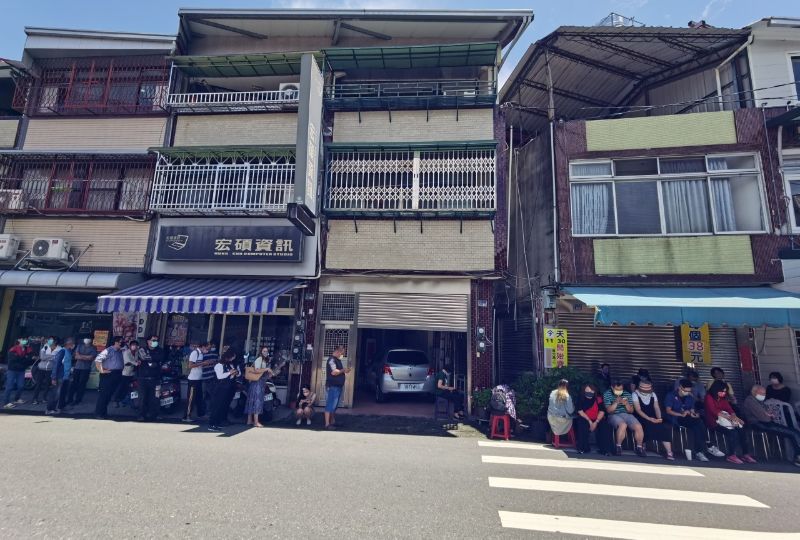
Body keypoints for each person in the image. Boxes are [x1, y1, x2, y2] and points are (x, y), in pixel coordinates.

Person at [664, 379, 723, 462]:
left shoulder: (690, 397)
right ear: (680, 387)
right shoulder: (671, 395)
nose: (687, 392)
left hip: (689, 419)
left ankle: (699, 452)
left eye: (689, 391)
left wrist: (694, 414)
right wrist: (681, 414)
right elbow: (668, 410)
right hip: (676, 418)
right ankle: (707, 444)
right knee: (698, 423)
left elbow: (692, 409)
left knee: (697, 425)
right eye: (686, 390)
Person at [742, 385, 800, 467]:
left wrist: (768, 415)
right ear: (754, 392)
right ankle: (798, 458)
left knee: (793, 432)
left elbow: (770, 413)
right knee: (793, 433)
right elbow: (764, 418)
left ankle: (798, 456)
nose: (763, 395)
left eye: (764, 393)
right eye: (761, 393)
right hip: (757, 424)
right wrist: (768, 415)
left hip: (764, 423)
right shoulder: (750, 401)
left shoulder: (758, 401)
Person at [704, 380, 756, 465]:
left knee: (742, 431)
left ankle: (745, 454)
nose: (724, 393)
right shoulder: (709, 397)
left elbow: (729, 409)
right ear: (716, 389)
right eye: (722, 391)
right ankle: (731, 455)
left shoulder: (722, 398)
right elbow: (713, 411)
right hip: (714, 422)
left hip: (725, 421)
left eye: (725, 391)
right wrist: (730, 417)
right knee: (733, 433)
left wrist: (735, 417)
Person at [632, 379, 675, 460]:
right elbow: (638, 410)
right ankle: (641, 447)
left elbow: (656, 407)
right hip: (640, 416)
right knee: (643, 425)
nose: (646, 390)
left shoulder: (653, 394)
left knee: (663, 427)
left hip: (652, 416)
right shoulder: (635, 394)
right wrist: (649, 419)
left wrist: (659, 418)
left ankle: (669, 452)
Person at [603, 379, 646, 457]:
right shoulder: (607, 394)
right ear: (612, 388)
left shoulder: (627, 394)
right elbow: (609, 410)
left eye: (621, 389)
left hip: (626, 414)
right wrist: (616, 402)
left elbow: (631, 411)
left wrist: (626, 404)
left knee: (638, 426)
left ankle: (639, 448)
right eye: (617, 389)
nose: (619, 391)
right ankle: (618, 447)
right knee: (623, 425)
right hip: (613, 414)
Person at [208, 349, 240, 432]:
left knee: (221, 406)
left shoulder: (228, 365)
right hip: (219, 388)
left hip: (226, 388)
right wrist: (230, 373)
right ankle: (212, 424)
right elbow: (220, 376)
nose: (232, 359)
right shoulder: (219, 365)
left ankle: (217, 423)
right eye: (232, 357)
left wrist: (233, 372)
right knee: (216, 406)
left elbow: (235, 372)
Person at [575, 383, 611, 455]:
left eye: (592, 391)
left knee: (604, 426)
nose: (590, 393)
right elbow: (580, 411)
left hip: (597, 419)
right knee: (582, 425)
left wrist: (596, 422)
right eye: (588, 391)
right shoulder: (581, 398)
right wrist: (590, 422)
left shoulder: (598, 398)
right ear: (584, 391)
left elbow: (602, 411)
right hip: (585, 418)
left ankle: (605, 450)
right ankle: (583, 448)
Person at [94, 337, 125, 419]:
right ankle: (98, 413)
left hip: (117, 374)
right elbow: (98, 359)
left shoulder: (119, 351)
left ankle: (103, 412)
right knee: (104, 395)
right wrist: (101, 370)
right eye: (121, 342)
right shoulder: (109, 350)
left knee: (109, 395)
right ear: (116, 342)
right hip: (108, 374)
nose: (122, 343)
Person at [136, 336, 163, 422]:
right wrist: (152, 360)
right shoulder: (142, 350)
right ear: (148, 341)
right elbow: (143, 358)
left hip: (155, 378)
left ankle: (154, 415)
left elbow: (160, 358)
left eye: (156, 340)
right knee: (142, 398)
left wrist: (150, 359)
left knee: (155, 397)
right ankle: (141, 415)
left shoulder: (160, 350)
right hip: (143, 378)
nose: (155, 342)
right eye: (153, 340)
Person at [245, 347, 273, 428]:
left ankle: (249, 420)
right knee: (257, 401)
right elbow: (256, 370)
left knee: (252, 400)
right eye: (264, 351)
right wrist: (266, 369)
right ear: (261, 352)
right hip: (257, 383)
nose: (265, 352)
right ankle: (256, 422)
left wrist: (269, 372)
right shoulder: (259, 359)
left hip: (258, 382)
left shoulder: (264, 360)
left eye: (267, 351)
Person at [324, 344, 350, 430]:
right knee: (330, 405)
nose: (342, 354)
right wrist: (343, 370)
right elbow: (334, 372)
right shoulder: (331, 360)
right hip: (332, 386)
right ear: (338, 351)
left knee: (334, 406)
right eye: (342, 352)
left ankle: (333, 421)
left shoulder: (337, 360)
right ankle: (327, 424)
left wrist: (344, 371)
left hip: (337, 386)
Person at [183, 342, 210, 423]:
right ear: (203, 347)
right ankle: (186, 416)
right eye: (207, 348)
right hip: (193, 380)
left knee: (199, 398)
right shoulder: (195, 353)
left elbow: (199, 365)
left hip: (199, 379)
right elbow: (190, 365)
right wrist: (203, 363)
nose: (208, 350)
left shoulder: (201, 354)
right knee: (191, 399)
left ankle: (201, 414)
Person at [3, 337, 33, 409]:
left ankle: (17, 399)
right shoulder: (13, 348)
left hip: (21, 370)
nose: (24, 341)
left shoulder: (27, 349)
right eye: (23, 339)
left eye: (25, 339)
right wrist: (24, 358)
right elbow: (13, 359)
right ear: (18, 340)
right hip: (12, 370)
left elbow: (30, 358)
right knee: (9, 386)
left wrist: (23, 358)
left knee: (21, 386)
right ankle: (6, 403)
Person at [47, 338, 74, 415]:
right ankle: (50, 409)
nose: (73, 345)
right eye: (71, 343)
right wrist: (54, 377)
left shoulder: (68, 352)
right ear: (68, 344)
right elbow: (56, 365)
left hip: (66, 376)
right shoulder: (62, 352)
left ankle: (61, 407)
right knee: (56, 393)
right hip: (60, 376)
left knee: (63, 393)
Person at [67, 337, 97, 406]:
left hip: (86, 369)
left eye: (88, 338)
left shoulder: (93, 348)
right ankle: (69, 399)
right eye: (86, 338)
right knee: (73, 383)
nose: (87, 339)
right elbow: (76, 356)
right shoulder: (79, 346)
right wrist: (86, 357)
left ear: (92, 340)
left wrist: (81, 356)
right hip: (77, 367)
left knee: (82, 384)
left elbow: (91, 358)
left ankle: (78, 399)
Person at [32, 337, 61, 405]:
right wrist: (52, 356)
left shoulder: (59, 349)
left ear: (55, 341)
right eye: (49, 339)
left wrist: (47, 356)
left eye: (51, 340)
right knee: (38, 384)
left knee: (48, 384)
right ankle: (34, 399)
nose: (49, 341)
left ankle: (44, 398)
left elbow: (58, 358)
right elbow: (42, 357)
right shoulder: (45, 347)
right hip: (41, 368)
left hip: (50, 369)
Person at [115, 340, 139, 407]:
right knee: (122, 386)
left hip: (132, 372)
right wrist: (136, 363)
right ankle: (116, 399)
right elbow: (128, 361)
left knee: (129, 387)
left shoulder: (137, 352)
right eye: (133, 345)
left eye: (135, 345)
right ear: (130, 346)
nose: (134, 346)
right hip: (125, 372)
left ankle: (125, 400)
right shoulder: (126, 352)